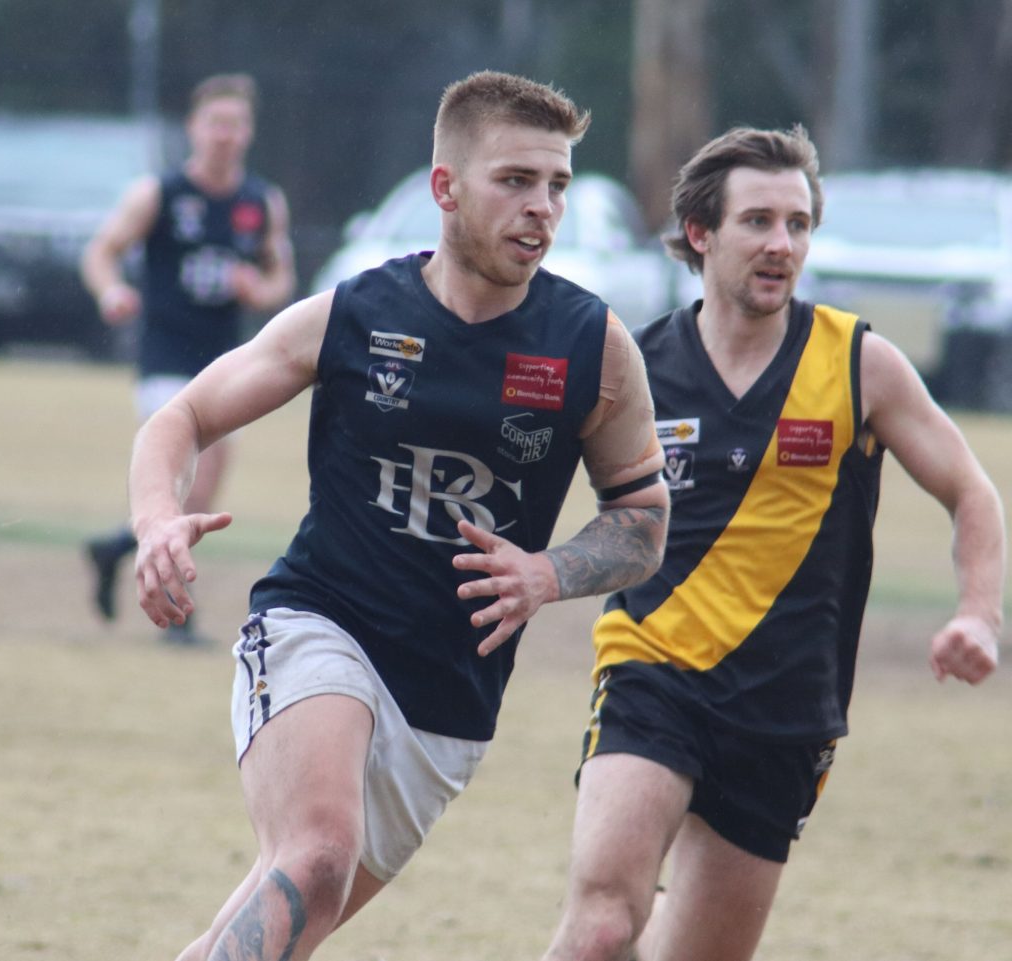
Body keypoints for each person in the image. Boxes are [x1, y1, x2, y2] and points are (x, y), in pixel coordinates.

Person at [127, 70, 669, 961]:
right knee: (319, 856)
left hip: (449, 700)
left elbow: (644, 519)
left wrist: (549, 572)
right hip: (319, 621)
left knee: (285, 919)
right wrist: (156, 520)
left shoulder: (593, 345)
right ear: (445, 188)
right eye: (516, 181)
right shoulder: (355, 313)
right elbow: (179, 418)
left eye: (558, 185)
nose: (543, 208)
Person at [541, 125, 1005, 961]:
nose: (781, 244)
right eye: (758, 221)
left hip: (786, 710)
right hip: (654, 673)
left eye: (797, 224)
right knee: (604, 924)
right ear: (700, 232)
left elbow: (972, 489)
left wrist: (978, 613)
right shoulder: (637, 367)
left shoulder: (861, 364)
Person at [81, 72, 296, 644]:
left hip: (227, 364)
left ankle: (114, 549)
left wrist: (260, 287)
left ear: (248, 132)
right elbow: (101, 251)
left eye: (236, 124)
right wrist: (111, 291)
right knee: (186, 486)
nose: (225, 135)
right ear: (194, 128)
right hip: (166, 357)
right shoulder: (159, 194)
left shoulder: (261, 202)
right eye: (216, 123)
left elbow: (282, 279)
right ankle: (179, 618)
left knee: (200, 495)